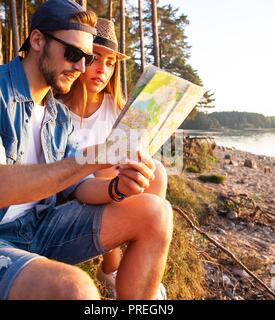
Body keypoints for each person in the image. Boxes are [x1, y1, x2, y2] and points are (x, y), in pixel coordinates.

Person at [0, 0, 173, 300]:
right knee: (76, 289)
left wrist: (116, 187)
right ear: (37, 41)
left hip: (37, 231)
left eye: (86, 57)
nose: (81, 68)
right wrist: (92, 157)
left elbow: (79, 187)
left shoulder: (58, 118)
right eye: (73, 54)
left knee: (156, 212)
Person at [61, 18, 168, 299]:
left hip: (111, 188)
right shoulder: (56, 111)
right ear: (78, 57)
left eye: (110, 63)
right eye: (96, 58)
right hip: (72, 192)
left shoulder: (116, 109)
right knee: (104, 167)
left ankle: (136, 268)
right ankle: (111, 265)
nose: (102, 69)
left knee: (155, 170)